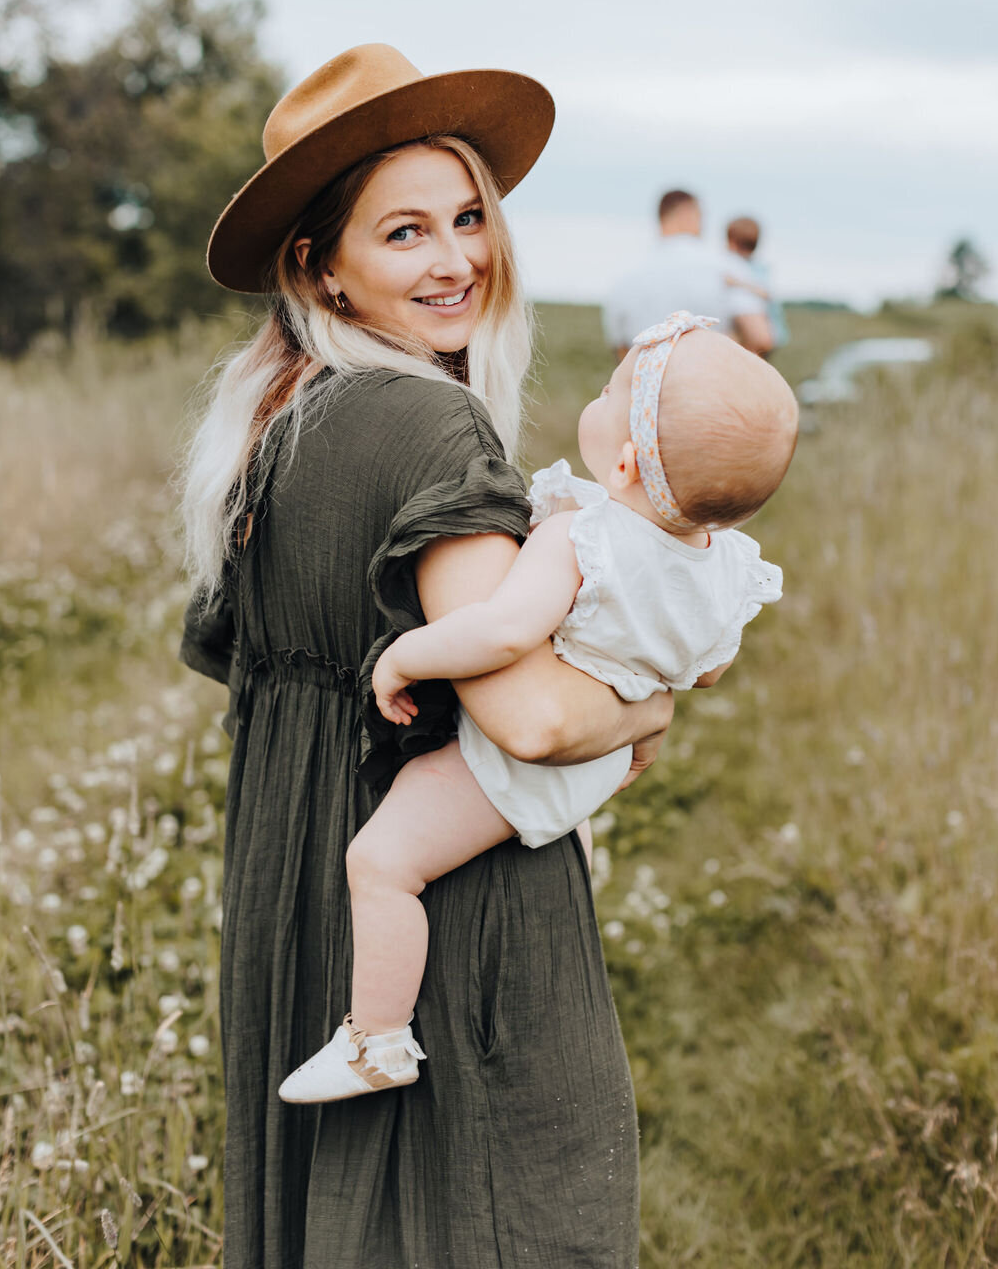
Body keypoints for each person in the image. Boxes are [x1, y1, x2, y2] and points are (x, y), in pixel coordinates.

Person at [178, 43, 675, 1269]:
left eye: (466, 217)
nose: (456, 260)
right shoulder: (423, 422)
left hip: (301, 891)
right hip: (447, 915)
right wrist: (651, 700)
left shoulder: (273, 414)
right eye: (403, 235)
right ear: (320, 266)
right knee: (497, 1217)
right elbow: (534, 723)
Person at [276, 313, 798, 1104]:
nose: (600, 391)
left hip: (521, 765)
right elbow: (710, 669)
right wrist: (643, 703)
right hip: (604, 762)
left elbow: (501, 631)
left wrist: (405, 656)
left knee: (382, 864)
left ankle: (377, 1037)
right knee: (554, 850)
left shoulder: (583, 541)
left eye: (609, 390)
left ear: (622, 458)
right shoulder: (727, 566)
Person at [602, 188, 774, 359]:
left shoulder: (625, 279)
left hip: (648, 383)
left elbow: (622, 353)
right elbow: (760, 338)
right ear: (688, 213)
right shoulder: (727, 266)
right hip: (713, 379)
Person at [725, 215, 790, 352]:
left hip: (766, 327)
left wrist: (737, 283)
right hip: (755, 327)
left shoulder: (755, 269)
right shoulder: (740, 265)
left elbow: (767, 293)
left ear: (732, 242)